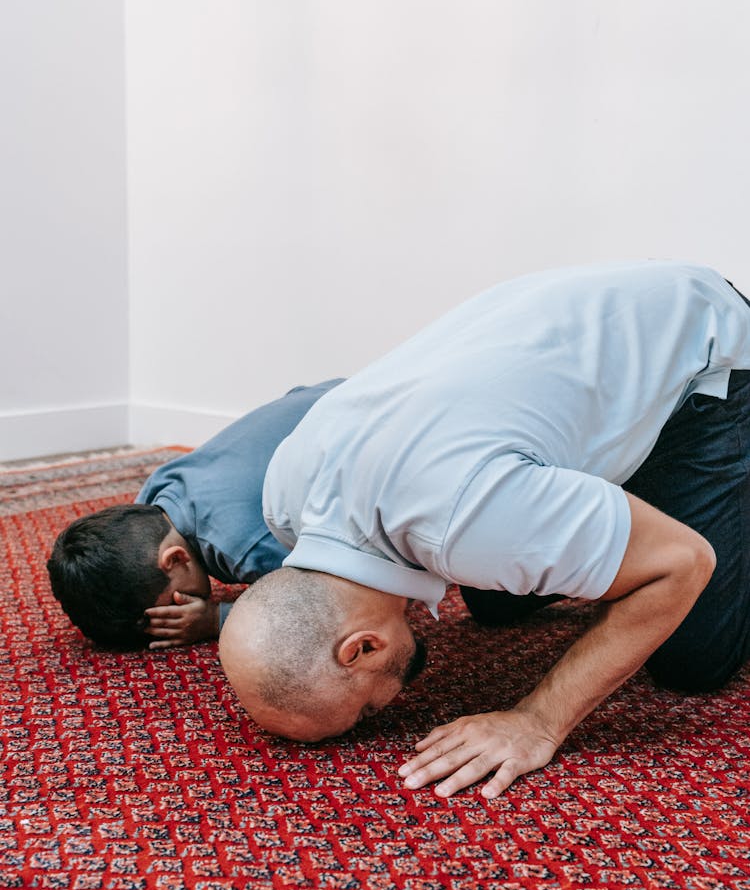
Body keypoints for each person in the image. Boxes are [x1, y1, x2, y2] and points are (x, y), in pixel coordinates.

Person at [218, 260, 750, 799]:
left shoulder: (465, 517)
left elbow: (684, 562)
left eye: (369, 710)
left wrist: (536, 721)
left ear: (360, 648)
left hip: (702, 342)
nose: (385, 711)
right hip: (570, 322)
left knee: (694, 661)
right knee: (495, 600)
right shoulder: (283, 499)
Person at [47, 379, 343, 650]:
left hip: (366, 426)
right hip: (326, 394)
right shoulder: (156, 498)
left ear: (175, 559)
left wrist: (217, 618)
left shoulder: (241, 546)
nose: (182, 611)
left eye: (172, 608)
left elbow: (328, 601)